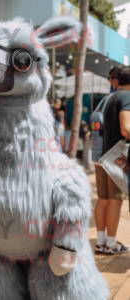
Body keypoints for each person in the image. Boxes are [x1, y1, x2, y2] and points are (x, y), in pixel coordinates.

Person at [94, 66, 130, 254]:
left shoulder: (108, 98)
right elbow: (126, 129)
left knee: (103, 199)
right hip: (116, 159)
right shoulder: (126, 97)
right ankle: (111, 244)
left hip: (101, 157)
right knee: (115, 200)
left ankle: (101, 242)